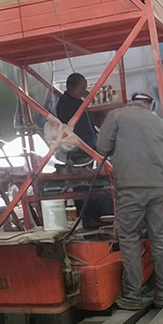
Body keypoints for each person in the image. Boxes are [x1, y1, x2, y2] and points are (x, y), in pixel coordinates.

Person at [96, 92, 163, 310]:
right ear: (150, 105)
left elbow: (102, 148)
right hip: (158, 188)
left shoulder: (117, 115)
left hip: (131, 188)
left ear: (131, 102)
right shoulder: (159, 122)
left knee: (130, 238)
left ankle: (132, 296)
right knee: (160, 239)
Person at [55, 73, 103, 228]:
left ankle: (95, 216)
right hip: (77, 150)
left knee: (93, 184)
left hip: (89, 149)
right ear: (72, 86)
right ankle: (87, 218)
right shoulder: (65, 104)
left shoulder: (80, 102)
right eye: (82, 87)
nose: (85, 90)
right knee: (81, 186)